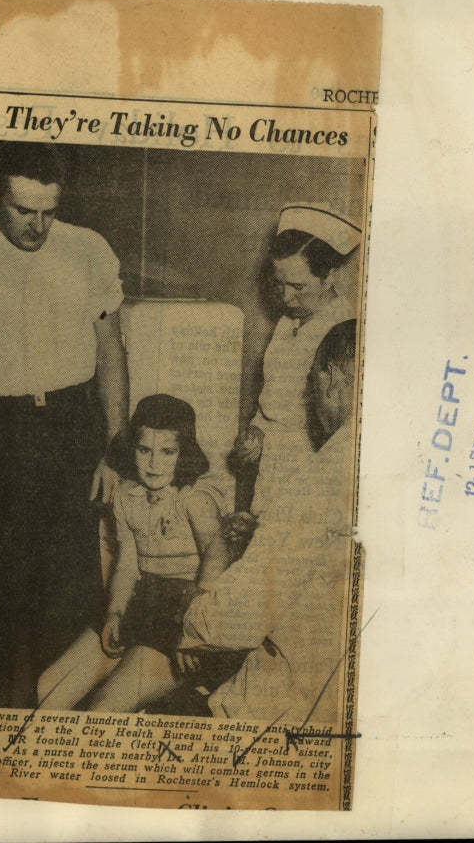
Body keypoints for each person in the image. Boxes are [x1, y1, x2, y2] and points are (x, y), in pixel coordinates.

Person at [0, 141, 129, 708]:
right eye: (24, 210)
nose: (38, 225)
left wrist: (115, 448)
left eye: (49, 211)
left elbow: (111, 353)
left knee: (69, 588)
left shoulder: (87, 249)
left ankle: (57, 727)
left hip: (68, 428)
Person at [178, 319, 359, 726]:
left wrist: (191, 618)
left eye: (313, 384)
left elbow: (240, 613)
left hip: (290, 709)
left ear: (331, 379)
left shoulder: (322, 475)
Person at [37, 394, 234, 713]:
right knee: (48, 687)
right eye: (145, 450)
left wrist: (195, 626)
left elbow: (218, 555)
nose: (155, 464)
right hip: (140, 601)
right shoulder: (127, 496)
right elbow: (127, 563)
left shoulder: (194, 498)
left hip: (186, 611)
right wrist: (114, 611)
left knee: (105, 708)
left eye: (168, 452)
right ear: (133, 448)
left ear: (184, 452)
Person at [232, 204, 362, 518]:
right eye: (279, 284)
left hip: (309, 484)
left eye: (298, 287)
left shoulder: (344, 332)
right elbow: (274, 405)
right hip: (272, 478)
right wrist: (254, 436)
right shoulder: (289, 321)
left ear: (330, 276)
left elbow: (342, 436)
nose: (286, 298)